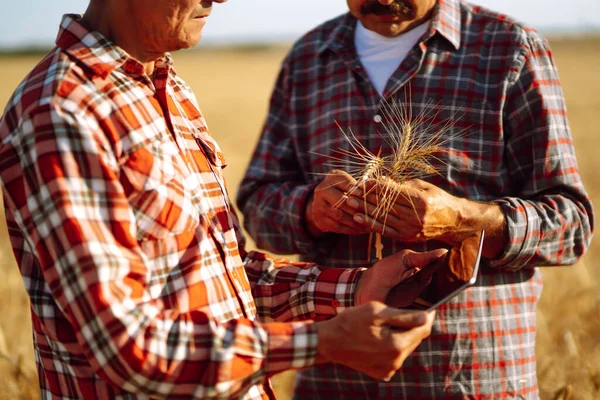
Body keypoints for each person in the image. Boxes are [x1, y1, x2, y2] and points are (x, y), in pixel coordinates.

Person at [0, 1, 448, 399]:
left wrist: (355, 289)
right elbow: (125, 343)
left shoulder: (164, 85)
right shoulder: (62, 113)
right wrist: (325, 341)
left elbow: (219, 280)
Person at [237, 0, 595, 398]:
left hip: (468, 378)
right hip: (335, 379)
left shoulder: (510, 48)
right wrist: (309, 211)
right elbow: (256, 204)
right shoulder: (307, 58)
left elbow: (572, 224)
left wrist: (462, 220)